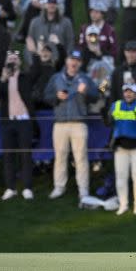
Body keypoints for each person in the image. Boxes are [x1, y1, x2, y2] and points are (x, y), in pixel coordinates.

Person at [45, 50, 98, 200]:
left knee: (81, 158)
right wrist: (56, 97)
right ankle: (59, 187)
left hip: (79, 123)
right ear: (67, 61)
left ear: (80, 63)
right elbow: (45, 96)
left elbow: (98, 94)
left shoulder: (86, 79)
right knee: (60, 157)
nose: (74, 62)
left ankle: (83, 190)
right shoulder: (56, 78)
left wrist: (86, 91)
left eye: (77, 60)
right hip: (60, 123)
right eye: (71, 59)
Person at [104, 82, 136, 216]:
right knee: (121, 177)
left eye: (131, 91)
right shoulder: (116, 105)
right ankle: (123, 205)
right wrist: (105, 113)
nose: (128, 94)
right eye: (126, 91)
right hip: (121, 147)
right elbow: (109, 122)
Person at [0, 50, 35, 200]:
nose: (12, 61)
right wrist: (3, 78)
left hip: (24, 120)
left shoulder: (25, 77)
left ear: (20, 62)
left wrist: (34, 52)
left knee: (25, 155)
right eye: (10, 59)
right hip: (8, 121)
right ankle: (10, 187)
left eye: (15, 59)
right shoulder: (3, 78)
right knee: (8, 156)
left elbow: (37, 71)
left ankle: (27, 187)